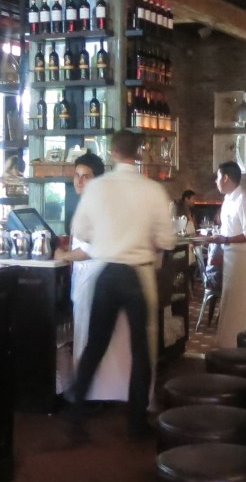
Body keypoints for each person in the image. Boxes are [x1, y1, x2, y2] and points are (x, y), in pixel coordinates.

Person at [68, 131, 176, 439]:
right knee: (141, 351)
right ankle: (136, 423)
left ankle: (75, 415)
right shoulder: (152, 190)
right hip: (137, 274)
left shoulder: (98, 187)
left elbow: (80, 231)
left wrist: (108, 238)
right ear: (138, 152)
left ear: (113, 152)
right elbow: (167, 240)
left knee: (95, 345)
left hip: (106, 272)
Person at [56, 152, 131, 403]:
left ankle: (86, 395)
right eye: (76, 176)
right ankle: (90, 393)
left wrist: (64, 256)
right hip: (88, 277)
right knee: (88, 335)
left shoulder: (97, 206)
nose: (79, 181)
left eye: (85, 176)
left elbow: (90, 249)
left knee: (87, 336)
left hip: (92, 277)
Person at [208, 160, 246, 349]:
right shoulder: (228, 199)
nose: (216, 181)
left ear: (226, 178)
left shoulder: (245, 200)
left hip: (241, 259)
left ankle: (233, 347)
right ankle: (224, 344)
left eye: (218, 177)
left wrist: (227, 240)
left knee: (237, 305)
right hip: (229, 256)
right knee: (228, 301)